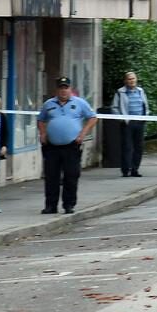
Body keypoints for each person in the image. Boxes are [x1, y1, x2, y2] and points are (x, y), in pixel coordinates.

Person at [38, 76, 96, 215]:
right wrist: (43, 133)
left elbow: (92, 118)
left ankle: (68, 204)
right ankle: (50, 205)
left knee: (71, 176)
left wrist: (82, 134)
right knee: (51, 177)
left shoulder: (79, 103)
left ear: (70, 89)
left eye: (66, 88)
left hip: (71, 145)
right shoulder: (49, 104)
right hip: (52, 146)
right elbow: (41, 119)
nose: (63, 91)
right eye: (61, 88)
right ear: (57, 90)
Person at [111, 71, 148, 177]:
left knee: (139, 147)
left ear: (136, 80)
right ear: (125, 81)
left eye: (133, 79)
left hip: (139, 122)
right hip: (127, 123)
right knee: (127, 147)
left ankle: (135, 169)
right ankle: (126, 169)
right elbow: (114, 108)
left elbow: (145, 105)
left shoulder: (140, 91)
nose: (131, 81)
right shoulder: (120, 92)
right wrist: (122, 119)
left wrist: (145, 116)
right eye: (129, 79)